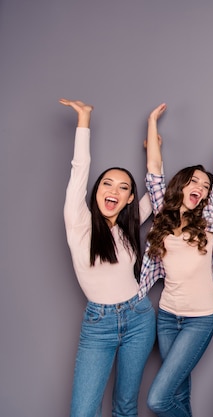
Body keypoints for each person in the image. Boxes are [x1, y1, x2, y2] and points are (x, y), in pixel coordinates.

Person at [140, 101, 213, 417]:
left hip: (201, 319)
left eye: (205, 185)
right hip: (167, 316)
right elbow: (153, 171)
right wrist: (151, 122)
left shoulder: (211, 216)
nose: (200, 188)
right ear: (181, 185)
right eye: (194, 181)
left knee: (158, 399)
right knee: (178, 392)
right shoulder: (163, 213)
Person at [60, 98, 156, 417]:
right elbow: (80, 170)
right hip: (98, 324)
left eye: (123, 187)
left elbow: (158, 191)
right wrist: (84, 121)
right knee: (84, 411)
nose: (112, 191)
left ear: (129, 198)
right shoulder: (79, 222)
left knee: (126, 406)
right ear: (97, 189)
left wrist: (154, 150)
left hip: (139, 316)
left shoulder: (129, 227)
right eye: (107, 184)